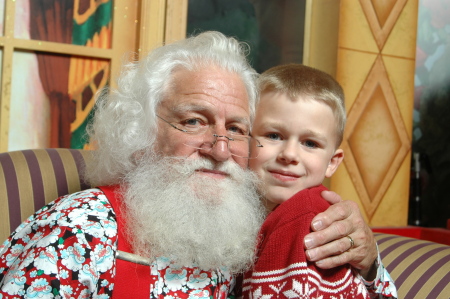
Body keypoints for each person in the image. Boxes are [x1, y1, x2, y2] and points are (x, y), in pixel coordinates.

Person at [0, 31, 390, 298]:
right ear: (144, 130)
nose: (220, 150)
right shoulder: (81, 229)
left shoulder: (252, 229)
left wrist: (369, 261)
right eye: (194, 121)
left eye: (236, 128)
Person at [242, 64, 397, 298]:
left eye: (310, 143)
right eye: (274, 135)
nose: (290, 154)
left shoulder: (306, 218)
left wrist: (370, 263)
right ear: (246, 139)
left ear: (333, 162)